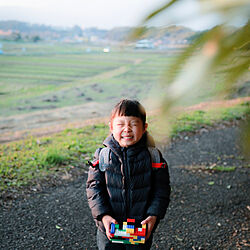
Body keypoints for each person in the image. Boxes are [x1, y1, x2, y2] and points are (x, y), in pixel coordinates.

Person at [86, 99, 171, 249]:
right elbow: (94, 189)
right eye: (120, 124)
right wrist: (103, 216)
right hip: (109, 228)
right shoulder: (103, 156)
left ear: (144, 127)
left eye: (133, 124)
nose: (127, 129)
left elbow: (161, 190)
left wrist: (153, 215)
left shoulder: (153, 156)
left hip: (140, 228)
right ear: (111, 127)